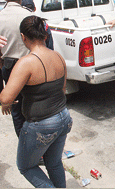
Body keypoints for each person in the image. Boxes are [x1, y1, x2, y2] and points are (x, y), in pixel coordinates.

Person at [0, 15, 72, 187]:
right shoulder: (58, 57)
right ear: (45, 35)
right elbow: (62, 89)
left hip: (42, 124)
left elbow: (5, 98)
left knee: (26, 166)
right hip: (63, 117)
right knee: (54, 163)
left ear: (23, 37)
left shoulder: (26, 63)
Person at [0, 0, 32, 136]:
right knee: (33, 106)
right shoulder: (30, 15)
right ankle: (38, 147)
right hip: (31, 68)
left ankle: (24, 145)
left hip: (10, 68)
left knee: (17, 109)